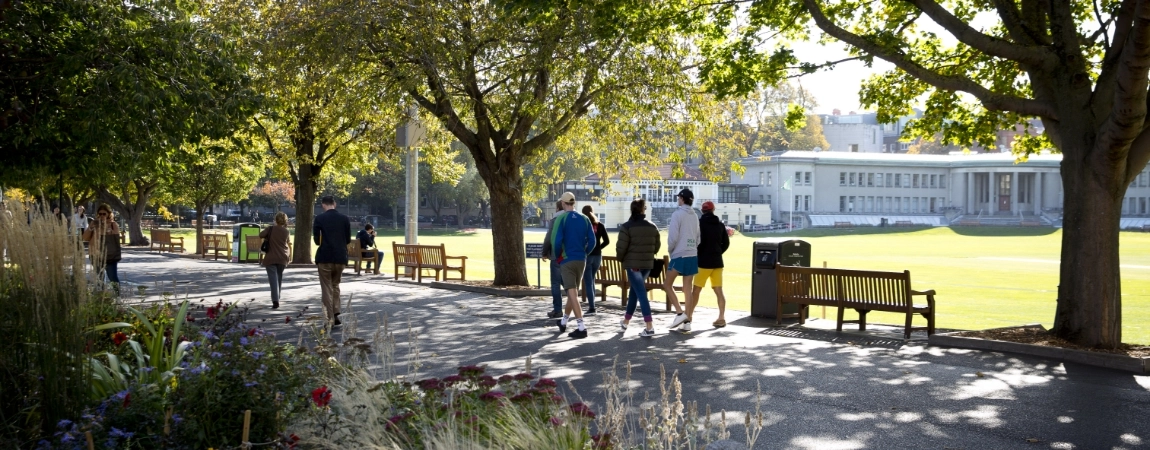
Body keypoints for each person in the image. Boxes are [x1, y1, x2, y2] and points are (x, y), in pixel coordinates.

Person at [550, 192, 596, 339]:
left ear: (563, 204)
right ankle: (563, 322)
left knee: (572, 293)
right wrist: (585, 253)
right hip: (581, 259)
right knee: (573, 292)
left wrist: (557, 255)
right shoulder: (584, 219)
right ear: (574, 203)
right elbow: (593, 241)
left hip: (567, 259)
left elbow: (556, 241)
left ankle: (581, 327)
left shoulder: (561, 218)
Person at [617, 198, 661, 337]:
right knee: (635, 292)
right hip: (647, 264)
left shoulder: (626, 226)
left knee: (640, 293)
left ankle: (649, 326)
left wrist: (621, 259)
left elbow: (621, 248)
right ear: (643, 210)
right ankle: (626, 321)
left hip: (633, 264)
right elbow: (657, 246)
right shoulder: (652, 226)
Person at [313, 196, 351, 326]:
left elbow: (317, 240)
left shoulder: (319, 219)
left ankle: (329, 317)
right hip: (340, 257)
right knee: (335, 285)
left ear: (323, 205)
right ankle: (336, 312)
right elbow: (348, 239)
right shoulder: (344, 219)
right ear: (334, 204)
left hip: (325, 256)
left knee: (326, 287)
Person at [666, 188, 700, 332]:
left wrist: (671, 250)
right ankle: (688, 321)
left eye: (679, 197)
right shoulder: (695, 216)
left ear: (682, 199)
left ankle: (680, 313)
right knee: (688, 288)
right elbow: (698, 238)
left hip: (679, 253)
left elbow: (673, 236)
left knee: (667, 284)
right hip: (692, 253)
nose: (677, 200)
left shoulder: (677, 214)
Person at [692, 201, 731, 328]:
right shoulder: (720, 225)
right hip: (717, 262)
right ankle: (721, 317)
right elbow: (726, 243)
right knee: (719, 290)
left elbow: (695, 242)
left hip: (703, 262)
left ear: (702, 211)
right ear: (713, 210)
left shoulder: (699, 223)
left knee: (696, 290)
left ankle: (689, 316)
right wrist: (718, 252)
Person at [83, 204, 122, 295]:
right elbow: (85, 238)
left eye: (104, 214)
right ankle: (101, 296)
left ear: (109, 214)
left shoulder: (113, 224)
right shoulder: (95, 224)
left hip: (109, 255)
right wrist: (91, 227)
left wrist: (106, 228)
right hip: (95, 254)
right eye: (100, 214)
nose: (101, 216)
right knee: (99, 277)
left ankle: (118, 296)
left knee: (112, 277)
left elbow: (116, 238)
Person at [540, 200, 567, 319]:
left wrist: (544, 252)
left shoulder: (555, 220)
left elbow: (549, 237)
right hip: (570, 254)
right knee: (567, 282)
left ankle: (557, 309)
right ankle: (574, 302)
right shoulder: (572, 219)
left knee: (555, 283)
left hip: (557, 254)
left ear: (557, 208)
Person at [581, 204, 609, 314]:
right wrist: (598, 248)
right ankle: (592, 305)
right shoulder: (600, 225)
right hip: (598, 256)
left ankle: (592, 307)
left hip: (587, 256)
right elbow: (607, 241)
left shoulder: (584, 225)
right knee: (592, 280)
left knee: (588, 282)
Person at [260, 212, 291, 309]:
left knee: (273, 280)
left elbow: (261, 235)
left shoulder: (270, 229)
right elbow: (287, 242)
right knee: (279, 278)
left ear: (275, 219)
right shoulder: (286, 231)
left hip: (271, 257)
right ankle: (278, 297)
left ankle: (275, 300)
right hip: (283, 257)